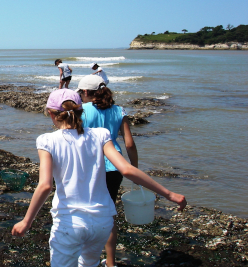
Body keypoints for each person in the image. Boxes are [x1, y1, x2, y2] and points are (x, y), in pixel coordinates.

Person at [11, 89, 186, 267]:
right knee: (89, 264)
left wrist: (27, 221)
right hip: (102, 222)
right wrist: (170, 195)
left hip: (69, 223)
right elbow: (127, 169)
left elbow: (45, 186)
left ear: (51, 114)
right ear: (81, 110)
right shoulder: (100, 134)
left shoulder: (47, 140)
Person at [77, 75, 138, 267]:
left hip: (88, 166)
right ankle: (111, 263)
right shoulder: (119, 110)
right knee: (108, 213)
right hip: (115, 167)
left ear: (86, 93)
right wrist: (134, 169)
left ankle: (86, 259)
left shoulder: (81, 111)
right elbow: (129, 144)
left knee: (85, 211)